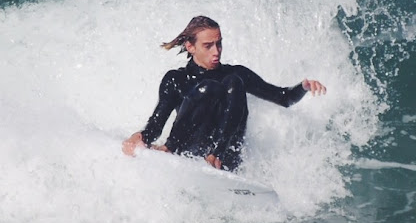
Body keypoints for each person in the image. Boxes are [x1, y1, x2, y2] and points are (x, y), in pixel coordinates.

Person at [122, 16, 326, 171]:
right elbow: (157, 123)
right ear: (190, 46)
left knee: (233, 82)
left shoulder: (234, 74)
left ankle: (215, 155)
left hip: (226, 159)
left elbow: (284, 98)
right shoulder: (176, 79)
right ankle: (170, 149)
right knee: (208, 88)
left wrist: (304, 87)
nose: (216, 51)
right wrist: (139, 137)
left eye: (219, 43)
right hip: (189, 155)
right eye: (208, 45)